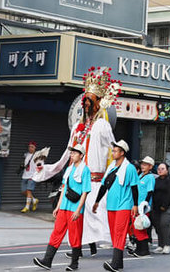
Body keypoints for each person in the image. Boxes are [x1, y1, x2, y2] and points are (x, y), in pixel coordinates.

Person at [39, 68, 119, 255]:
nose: (87, 105)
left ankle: (122, 246)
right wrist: (48, 169)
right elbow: (67, 154)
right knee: (75, 218)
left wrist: (122, 172)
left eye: (91, 101)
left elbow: (115, 149)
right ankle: (77, 251)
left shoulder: (102, 125)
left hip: (94, 182)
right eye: (86, 101)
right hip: (75, 182)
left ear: (99, 103)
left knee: (99, 218)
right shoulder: (77, 127)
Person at [33, 145, 90, 271]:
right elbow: (63, 188)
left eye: (75, 153)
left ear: (81, 155)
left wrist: (78, 210)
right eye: (72, 153)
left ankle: (74, 264)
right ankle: (47, 261)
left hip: (75, 208)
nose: (72, 155)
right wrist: (58, 206)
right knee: (56, 233)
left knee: (74, 236)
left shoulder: (85, 170)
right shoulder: (69, 169)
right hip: (64, 207)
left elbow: (85, 191)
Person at [92, 140, 139, 272]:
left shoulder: (129, 168)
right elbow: (104, 185)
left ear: (122, 152)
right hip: (111, 205)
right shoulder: (111, 166)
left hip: (124, 205)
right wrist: (97, 201)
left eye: (115, 150)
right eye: (113, 150)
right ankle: (119, 263)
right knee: (114, 233)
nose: (113, 153)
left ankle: (115, 263)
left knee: (119, 233)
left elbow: (134, 187)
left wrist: (135, 205)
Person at [128, 156, 156, 257]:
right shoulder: (140, 176)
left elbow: (150, 192)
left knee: (140, 228)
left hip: (142, 207)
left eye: (145, 164)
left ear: (151, 166)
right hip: (136, 206)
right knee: (137, 228)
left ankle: (144, 250)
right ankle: (139, 249)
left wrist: (145, 205)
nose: (143, 166)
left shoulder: (150, 177)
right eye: (142, 164)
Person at [150, 163, 170, 254]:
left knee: (164, 224)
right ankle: (160, 245)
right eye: (158, 169)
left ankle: (167, 245)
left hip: (169, 207)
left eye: (162, 168)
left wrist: (164, 206)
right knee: (157, 226)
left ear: (167, 170)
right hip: (156, 207)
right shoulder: (156, 180)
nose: (160, 170)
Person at [21, 141, 41, 212]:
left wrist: (37, 174)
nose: (30, 148)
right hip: (25, 175)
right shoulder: (26, 155)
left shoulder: (37, 156)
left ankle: (27, 207)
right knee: (23, 191)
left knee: (29, 191)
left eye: (32, 147)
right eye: (29, 146)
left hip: (32, 176)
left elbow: (41, 165)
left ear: (35, 148)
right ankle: (34, 200)